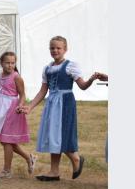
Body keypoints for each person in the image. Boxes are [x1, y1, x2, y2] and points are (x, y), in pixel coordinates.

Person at [21, 36, 102, 181]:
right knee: (53, 134)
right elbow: (42, 91)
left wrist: (91, 79)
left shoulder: (71, 66)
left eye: (58, 48)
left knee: (62, 134)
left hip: (65, 103)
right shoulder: (47, 68)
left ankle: (75, 158)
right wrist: (30, 107)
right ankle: (54, 171)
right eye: (52, 48)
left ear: (65, 49)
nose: (55, 50)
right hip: (52, 103)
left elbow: (82, 86)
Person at [0, 52, 35, 178]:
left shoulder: (16, 77)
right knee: (5, 141)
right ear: (1, 63)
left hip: (12, 110)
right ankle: (29, 157)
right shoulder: (1, 75)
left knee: (7, 140)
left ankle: (7, 170)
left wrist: (21, 105)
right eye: (7, 63)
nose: (10, 65)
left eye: (12, 63)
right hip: (2, 109)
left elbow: (22, 95)